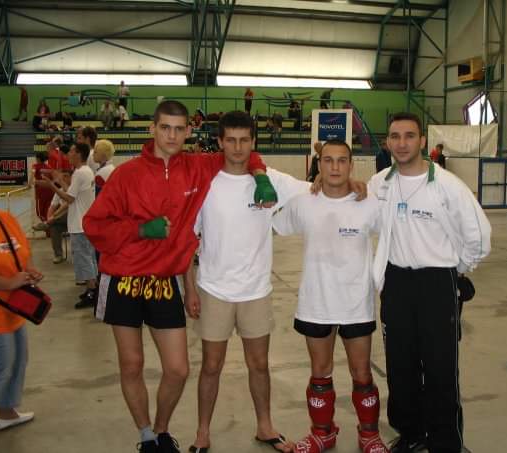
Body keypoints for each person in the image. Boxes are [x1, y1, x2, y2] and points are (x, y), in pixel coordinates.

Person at [82, 100, 276, 453]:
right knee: (132, 364)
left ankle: (161, 429)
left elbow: (241, 153)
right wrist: (140, 229)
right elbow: (93, 226)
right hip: (123, 279)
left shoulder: (197, 167)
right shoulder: (126, 174)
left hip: (164, 280)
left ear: (189, 131)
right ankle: (147, 437)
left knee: (178, 369)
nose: (171, 135)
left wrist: (260, 175)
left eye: (178, 129)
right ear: (152, 129)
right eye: (165, 128)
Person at [184, 111, 309, 453]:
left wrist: (352, 185)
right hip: (214, 289)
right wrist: (189, 288)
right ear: (220, 142)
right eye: (231, 140)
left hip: (256, 290)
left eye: (244, 140)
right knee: (211, 366)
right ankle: (202, 432)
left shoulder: (272, 179)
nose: (238, 148)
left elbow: (315, 189)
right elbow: (187, 240)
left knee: (259, 365)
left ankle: (265, 426)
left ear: (253, 141)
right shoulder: (206, 184)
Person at [369, 112, 491, 453]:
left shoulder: (448, 186)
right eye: (395, 136)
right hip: (396, 283)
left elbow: (480, 236)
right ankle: (411, 433)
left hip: (437, 282)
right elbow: (355, 204)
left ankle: (445, 442)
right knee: (400, 366)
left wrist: (458, 269)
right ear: (387, 142)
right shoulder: (380, 183)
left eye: (409, 136)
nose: (402, 143)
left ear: (422, 141)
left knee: (440, 368)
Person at [272, 140, 389, 453]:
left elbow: (397, 235)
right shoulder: (303, 202)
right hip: (316, 303)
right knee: (320, 373)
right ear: (319, 164)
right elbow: (270, 227)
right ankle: (323, 433)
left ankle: (369, 435)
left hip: (356, 305)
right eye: (328, 160)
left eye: (341, 161)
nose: (335, 167)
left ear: (351, 165)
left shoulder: (370, 202)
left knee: (362, 374)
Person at [0, 207, 43, 430]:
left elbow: (23, 248)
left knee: (17, 361)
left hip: (13, 308)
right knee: (1, 365)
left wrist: (29, 269)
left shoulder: (5, 218)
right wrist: (8, 283)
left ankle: (6, 413)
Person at [44, 143, 99, 309]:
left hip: (79, 224)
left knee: (84, 258)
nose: (68, 154)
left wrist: (52, 185)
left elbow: (69, 198)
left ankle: (92, 291)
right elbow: (72, 193)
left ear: (79, 154)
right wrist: (61, 181)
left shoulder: (80, 173)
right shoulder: (85, 171)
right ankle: (92, 288)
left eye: (72, 151)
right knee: (88, 257)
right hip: (84, 222)